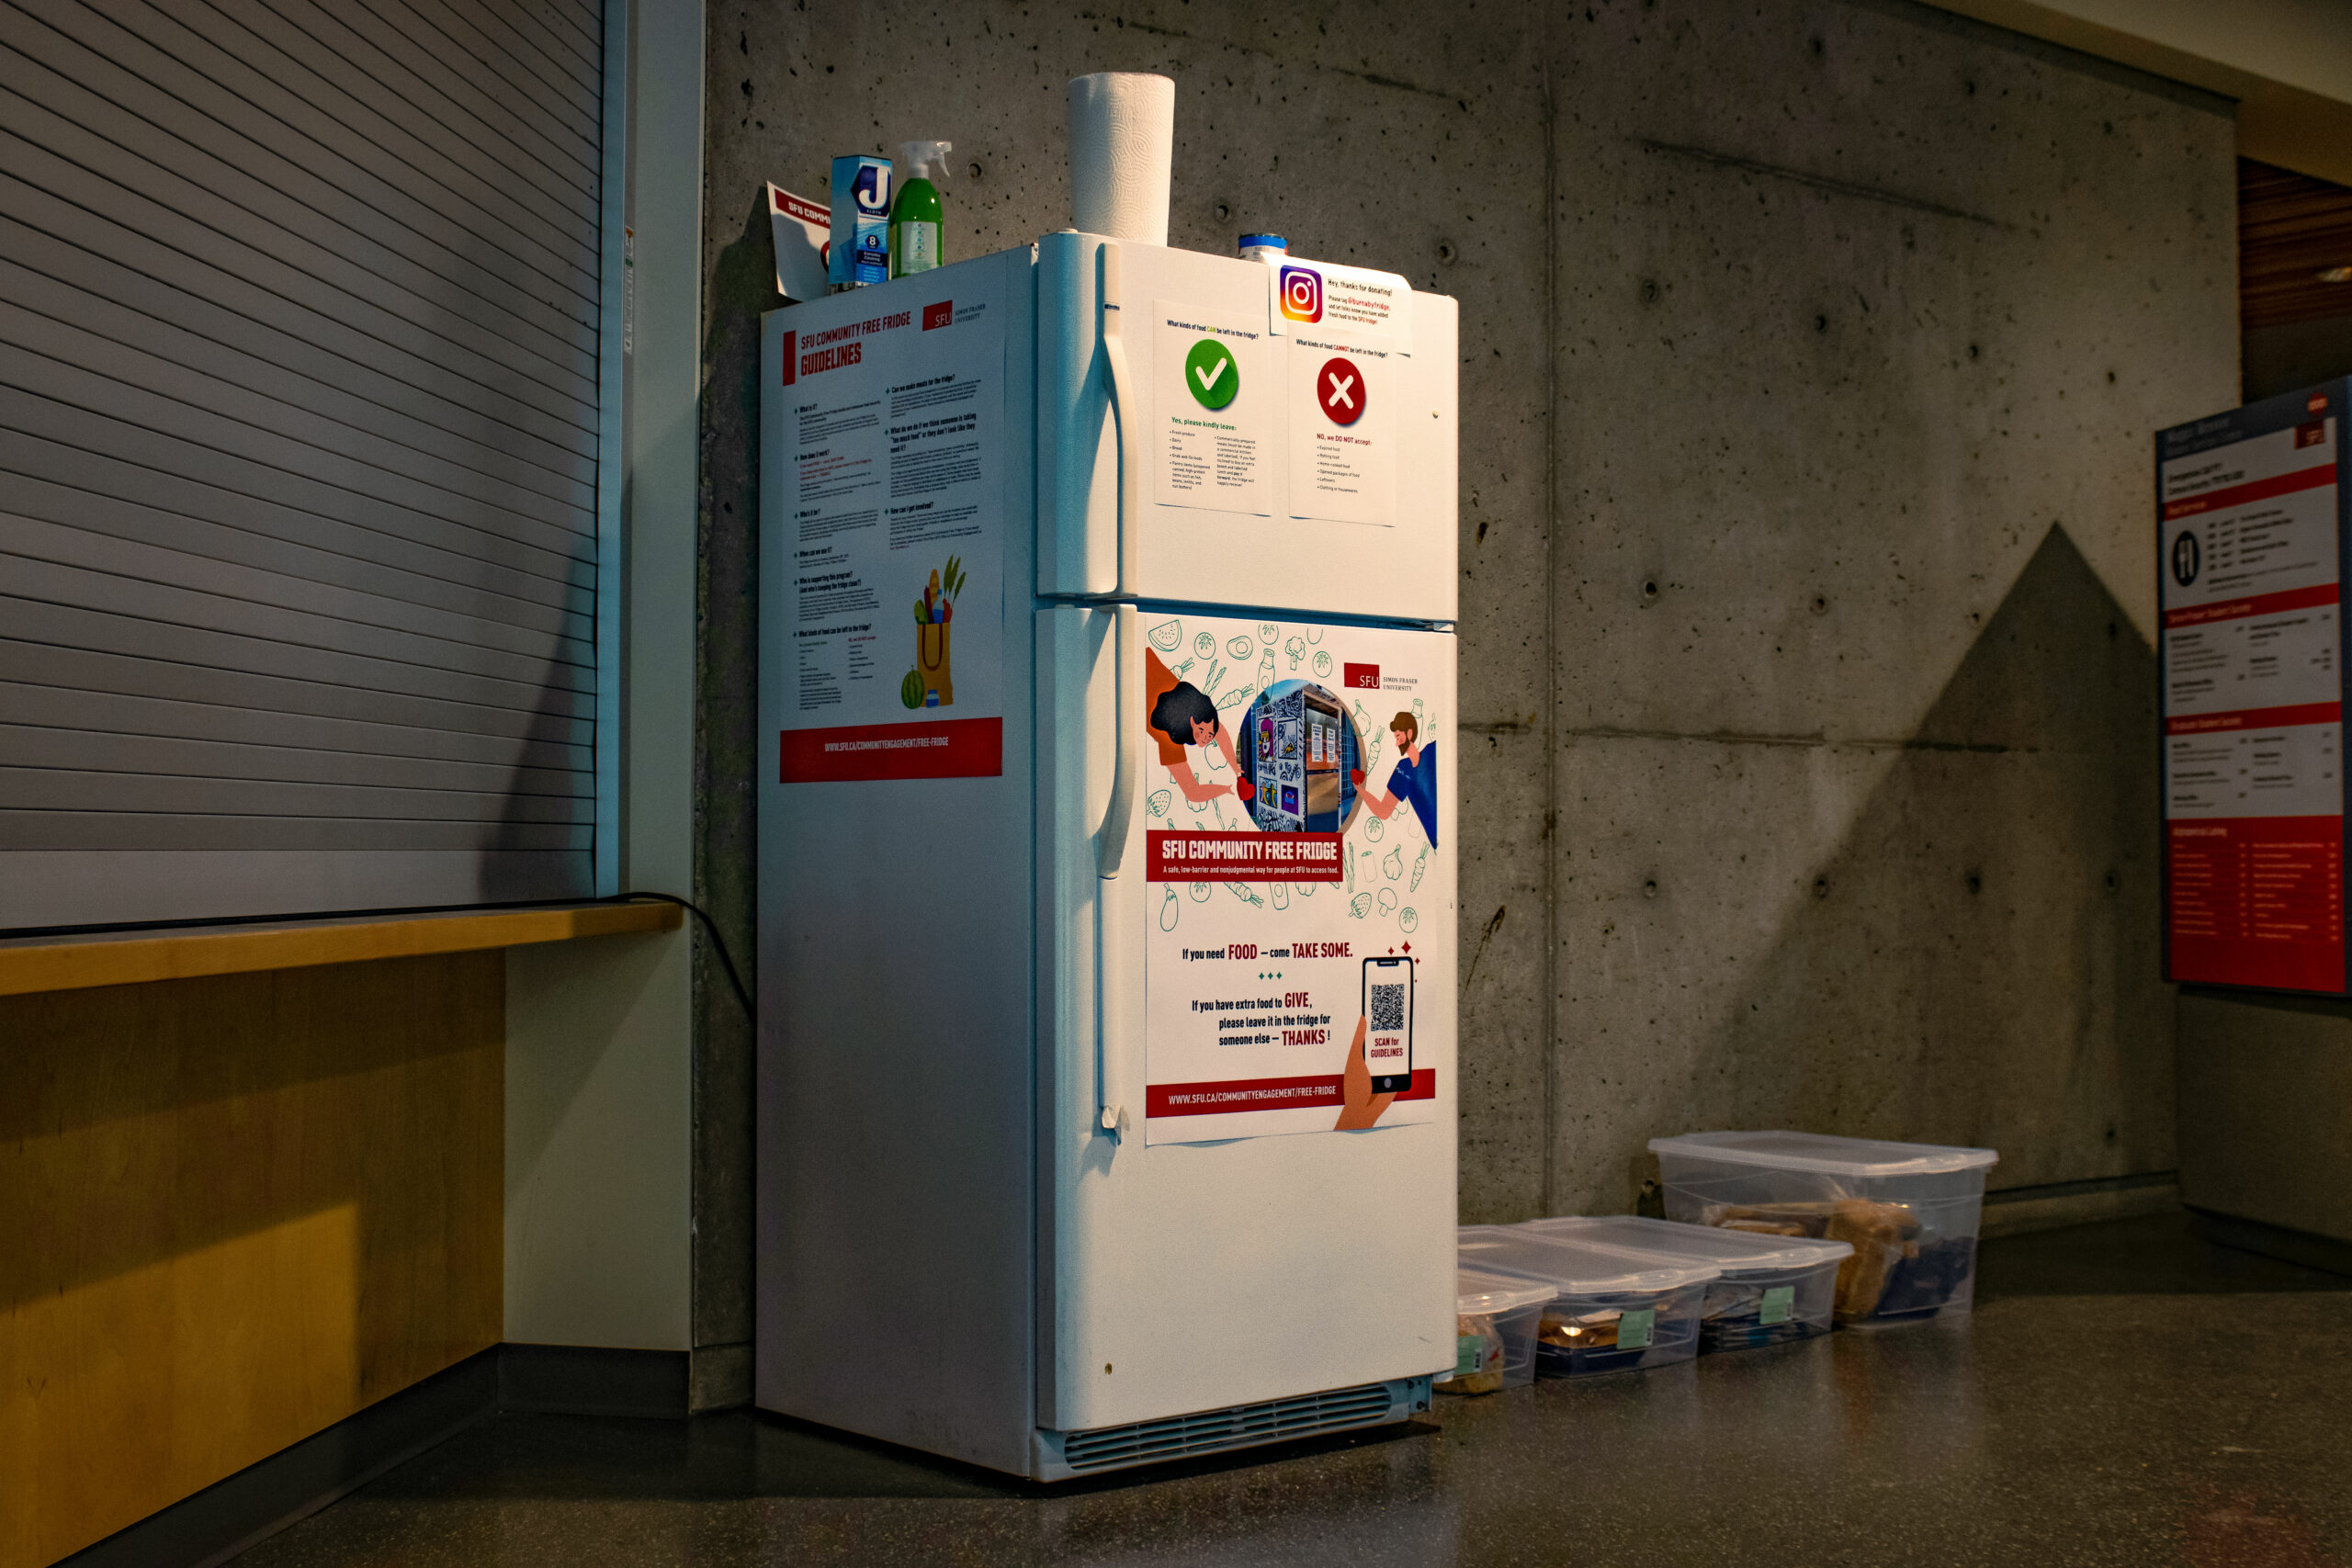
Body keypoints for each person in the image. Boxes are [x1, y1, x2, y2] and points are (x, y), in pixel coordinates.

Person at [1145, 647, 1251, 804]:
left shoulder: (1186, 700)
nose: (1207, 739)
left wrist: (1235, 768)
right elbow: (1193, 792)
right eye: (1203, 732)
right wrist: (1225, 789)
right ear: (1192, 721)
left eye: (1209, 735)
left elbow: (1218, 729)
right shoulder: (1170, 744)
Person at [1353, 710, 1436, 845]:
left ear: (1409, 733)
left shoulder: (1432, 750)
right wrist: (1360, 789)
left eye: (1398, 737)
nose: (1397, 744)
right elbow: (1383, 811)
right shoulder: (1402, 768)